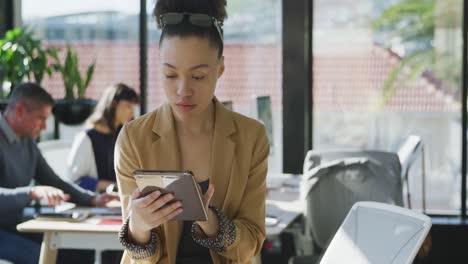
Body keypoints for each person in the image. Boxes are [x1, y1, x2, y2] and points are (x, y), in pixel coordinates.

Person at [114, 0, 270, 263]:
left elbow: (252, 242)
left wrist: (212, 224)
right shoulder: (134, 138)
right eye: (170, 75)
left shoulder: (251, 137)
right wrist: (138, 228)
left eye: (198, 76)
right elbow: (139, 257)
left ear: (220, 68)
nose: (182, 90)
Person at [0, 82, 118, 264]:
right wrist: (31, 192)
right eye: (41, 118)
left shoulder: (27, 142)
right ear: (20, 110)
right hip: (6, 230)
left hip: (17, 224)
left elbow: (53, 180)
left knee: (78, 251)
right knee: (40, 257)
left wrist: (91, 199)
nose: (45, 127)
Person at [67, 83, 139, 193]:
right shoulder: (86, 138)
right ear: (114, 104)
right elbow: (75, 182)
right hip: (95, 205)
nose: (132, 112)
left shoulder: (123, 137)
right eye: (128, 106)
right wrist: (111, 186)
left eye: (134, 107)